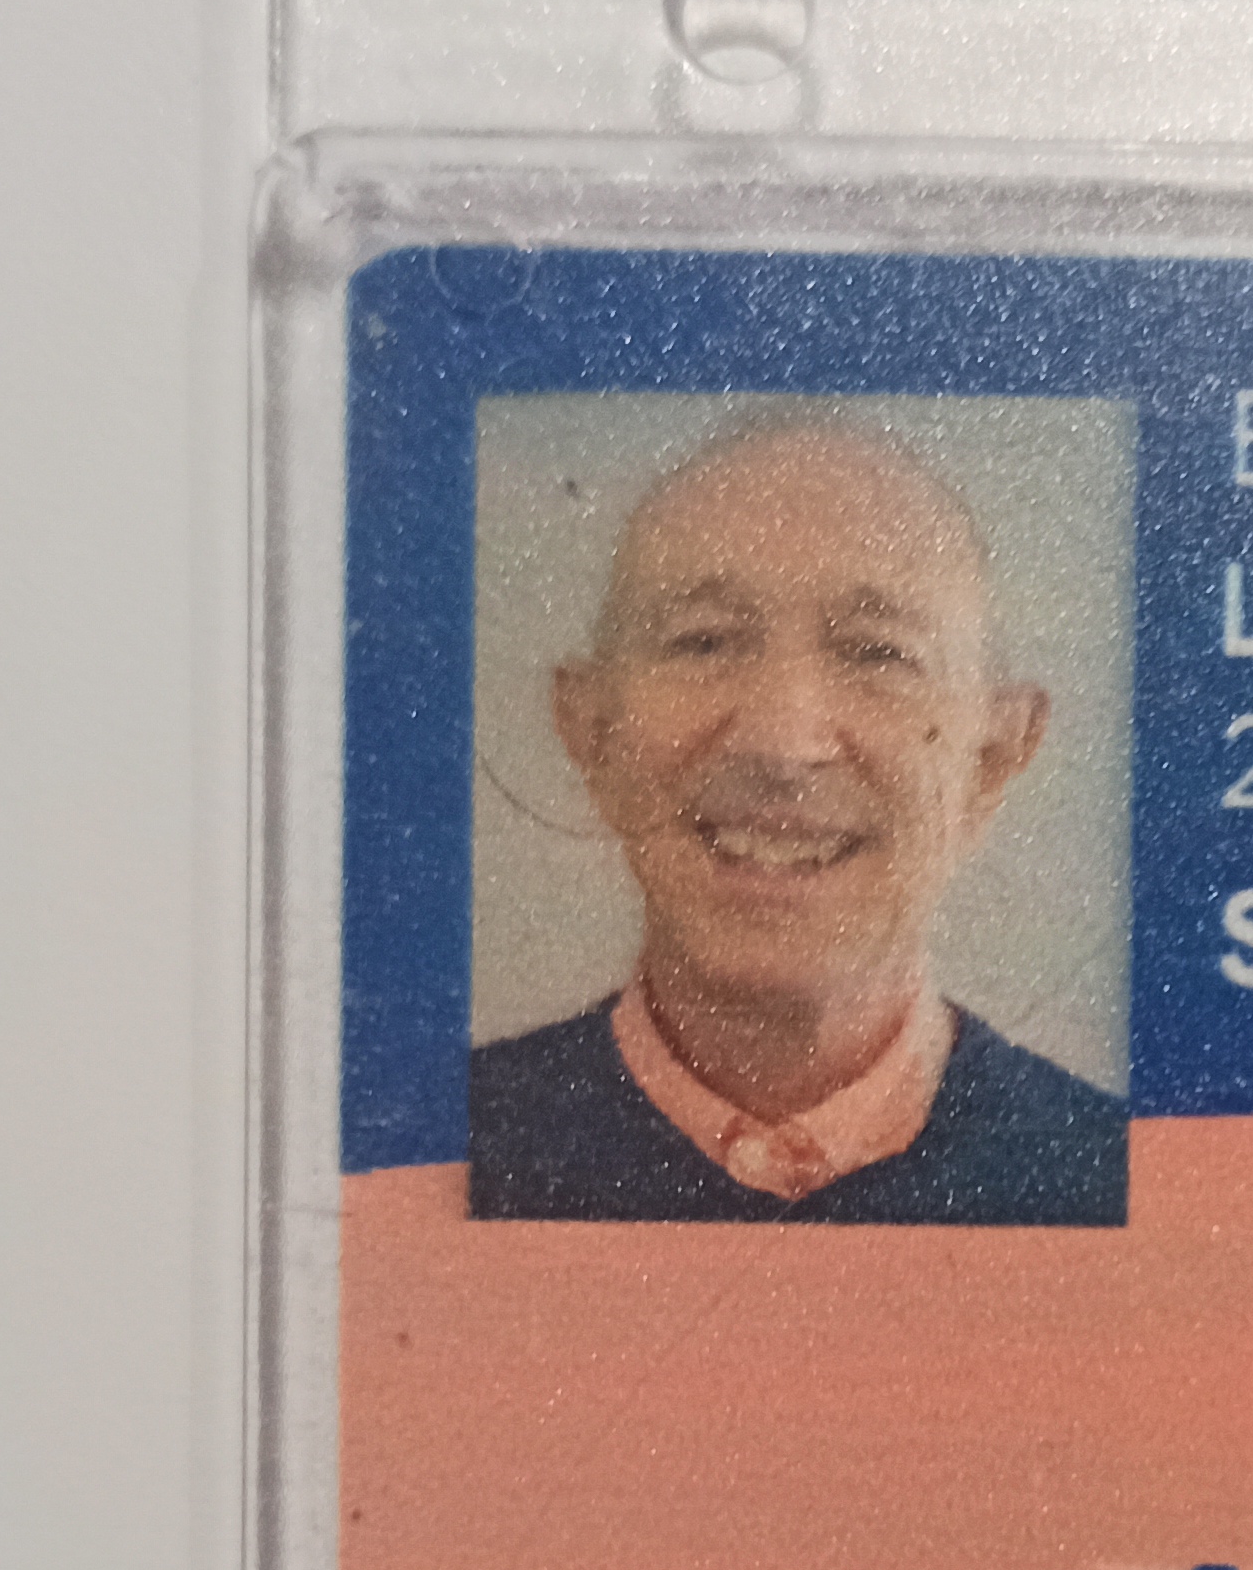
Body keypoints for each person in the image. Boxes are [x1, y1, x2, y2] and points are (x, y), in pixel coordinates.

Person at [469, 416, 1130, 1225]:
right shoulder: (448, 1152)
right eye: (704, 642)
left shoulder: (1104, 1174)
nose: (783, 744)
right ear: (593, 732)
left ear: (990, 760)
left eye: (877, 653)